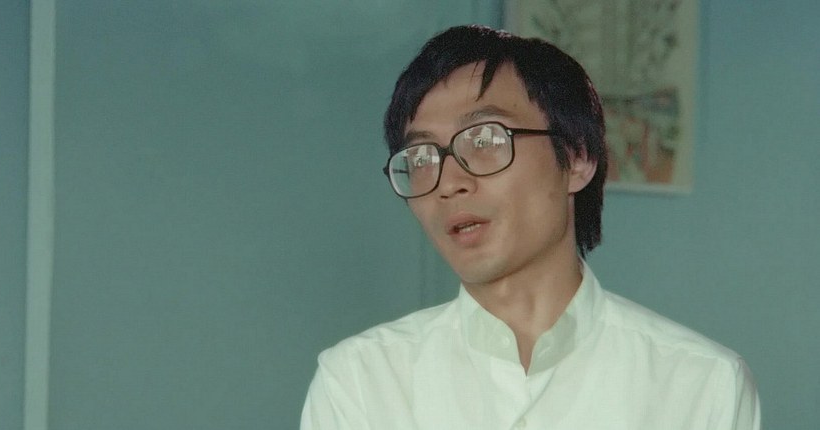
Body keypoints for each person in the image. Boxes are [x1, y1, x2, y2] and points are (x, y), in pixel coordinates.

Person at [301, 25, 760, 429]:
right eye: (421, 158)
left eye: (484, 139)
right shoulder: (360, 381)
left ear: (577, 159)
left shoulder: (702, 384)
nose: (449, 182)